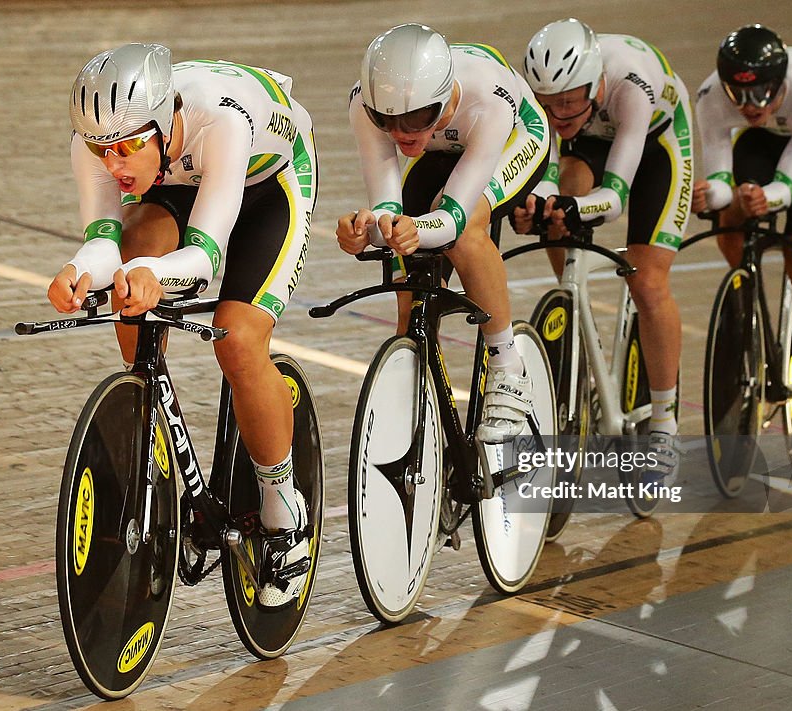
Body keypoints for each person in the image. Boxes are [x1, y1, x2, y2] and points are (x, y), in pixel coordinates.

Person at [48, 43, 318, 608]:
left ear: (164, 120)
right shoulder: (97, 140)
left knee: (238, 340)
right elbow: (103, 243)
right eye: (102, 151)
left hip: (270, 185)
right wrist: (78, 271)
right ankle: (147, 412)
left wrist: (149, 274)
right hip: (175, 183)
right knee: (132, 269)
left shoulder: (221, 121)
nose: (113, 165)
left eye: (125, 148)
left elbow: (205, 257)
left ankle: (281, 502)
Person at [336, 23, 550, 444]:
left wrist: (417, 227)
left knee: (466, 230)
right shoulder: (365, 103)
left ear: (442, 97)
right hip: (440, 149)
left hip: (513, 137)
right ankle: (419, 410)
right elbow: (386, 207)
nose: (399, 133)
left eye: (414, 117)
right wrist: (365, 231)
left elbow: (451, 218)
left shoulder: (490, 97)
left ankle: (507, 366)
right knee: (409, 295)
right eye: (387, 120)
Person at [514, 19, 693, 486]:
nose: (558, 112)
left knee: (648, 282)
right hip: (590, 144)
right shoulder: (552, 107)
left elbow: (613, 199)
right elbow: (545, 169)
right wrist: (539, 205)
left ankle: (665, 424)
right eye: (548, 103)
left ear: (597, 84)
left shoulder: (631, 84)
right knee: (558, 211)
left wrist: (570, 206)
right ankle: (579, 325)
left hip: (657, 145)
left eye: (570, 100)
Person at [692, 25, 792, 444]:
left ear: (781, 83)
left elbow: (791, 181)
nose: (750, 106)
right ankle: (745, 298)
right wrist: (712, 194)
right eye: (738, 96)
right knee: (729, 218)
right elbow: (720, 175)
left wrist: (769, 196)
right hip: (758, 143)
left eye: (761, 95)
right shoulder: (711, 98)